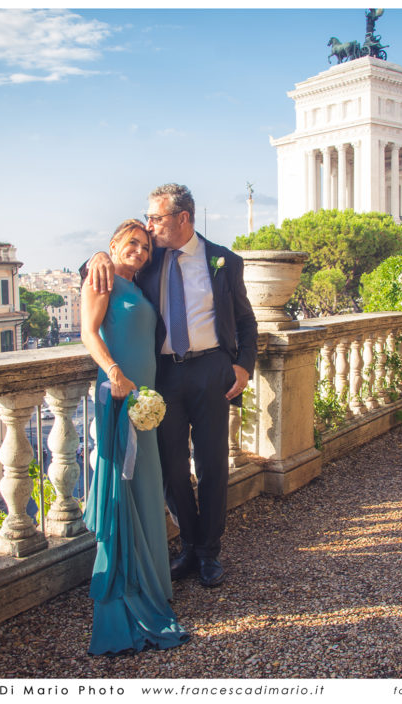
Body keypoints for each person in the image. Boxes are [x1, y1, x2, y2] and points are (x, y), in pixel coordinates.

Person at [86, 183, 258, 588]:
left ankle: (209, 552)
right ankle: (187, 545)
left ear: (183, 218)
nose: (149, 226)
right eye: (147, 218)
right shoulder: (150, 258)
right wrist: (94, 256)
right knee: (172, 468)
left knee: (214, 465)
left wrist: (244, 368)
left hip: (213, 371)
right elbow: (112, 266)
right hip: (164, 375)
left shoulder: (224, 261)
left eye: (156, 218)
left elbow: (248, 322)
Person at [80, 219, 189, 656]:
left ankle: (152, 585)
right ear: (111, 246)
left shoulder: (137, 285)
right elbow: (89, 332)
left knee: (146, 490)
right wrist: (115, 374)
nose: (140, 251)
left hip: (146, 400)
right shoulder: (101, 275)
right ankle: (128, 593)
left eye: (145, 246)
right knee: (124, 492)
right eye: (132, 244)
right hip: (121, 395)